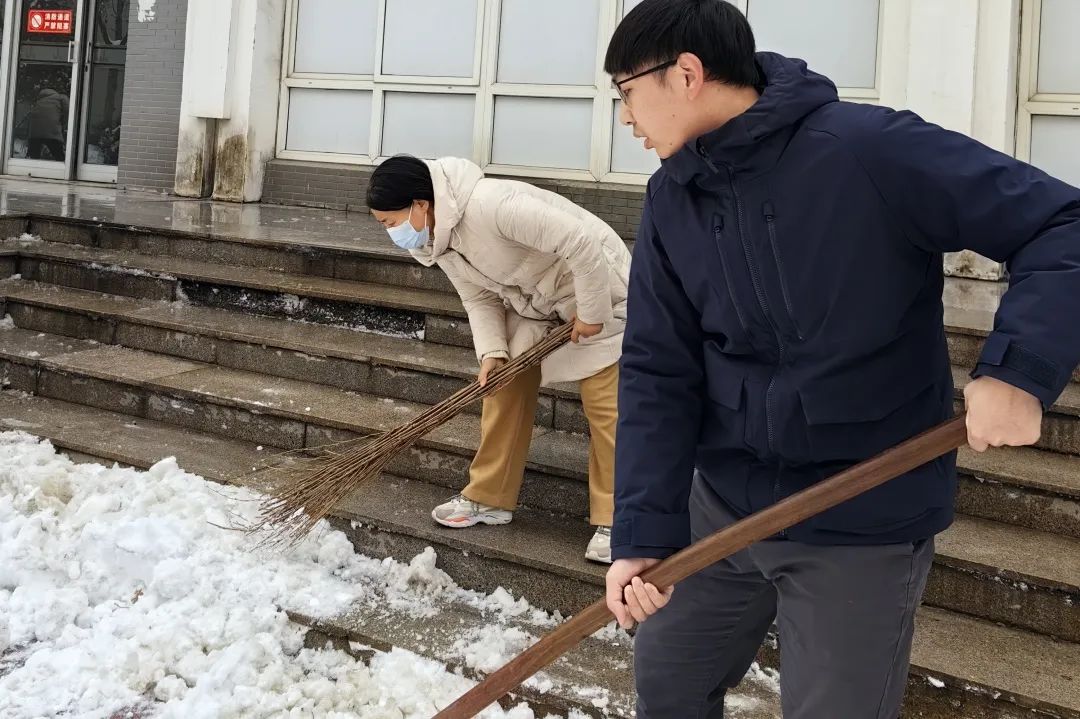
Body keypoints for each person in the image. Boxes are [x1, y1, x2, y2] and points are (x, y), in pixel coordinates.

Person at [601, 1, 1080, 717]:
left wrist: (1018, 369)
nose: (625, 118)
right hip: (724, 507)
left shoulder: (868, 151)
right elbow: (657, 368)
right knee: (668, 684)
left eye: (626, 93)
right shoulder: (674, 197)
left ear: (687, 75)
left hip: (861, 510)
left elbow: (1061, 222)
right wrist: (644, 530)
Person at [366, 155, 632, 564]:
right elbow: (478, 297)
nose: (392, 232)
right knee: (502, 385)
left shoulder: (493, 204)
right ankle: (489, 497)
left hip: (600, 290)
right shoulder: (439, 242)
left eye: (391, 221)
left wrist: (593, 311)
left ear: (420, 204)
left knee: (605, 406)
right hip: (536, 305)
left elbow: (581, 241)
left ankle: (619, 520)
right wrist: (493, 351)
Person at [27, 88, 68, 161]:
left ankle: (32, 166)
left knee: (34, 158)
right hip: (52, 131)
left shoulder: (39, 100)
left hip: (34, 132)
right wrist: (64, 125)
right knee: (59, 156)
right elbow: (68, 112)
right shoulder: (61, 97)